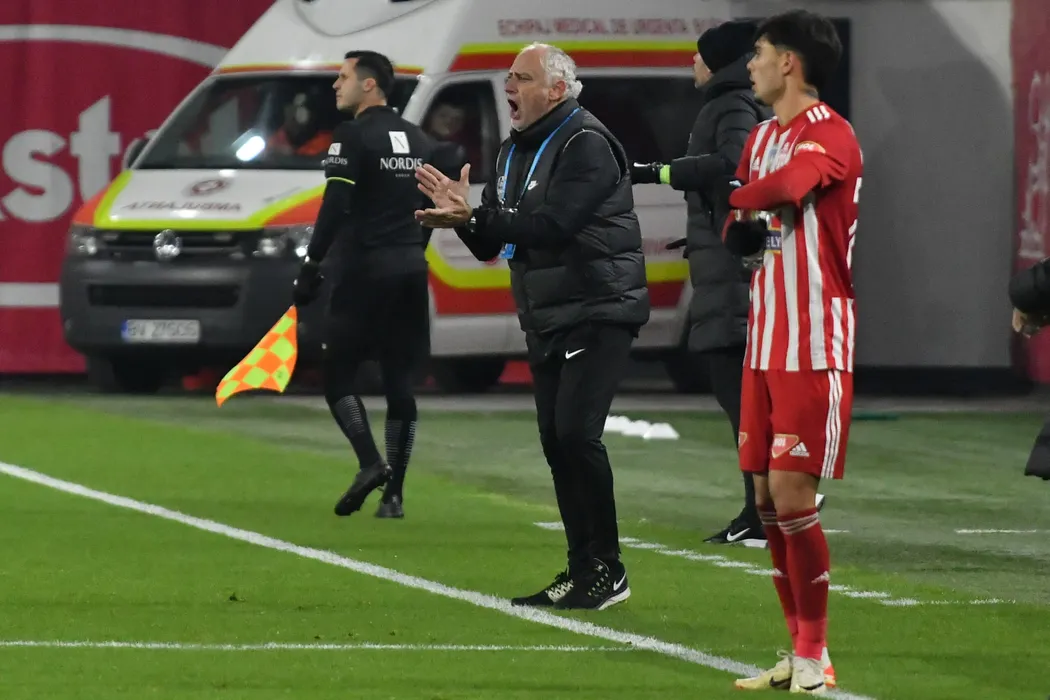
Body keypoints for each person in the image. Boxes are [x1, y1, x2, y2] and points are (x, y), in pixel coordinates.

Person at [414, 42, 649, 611]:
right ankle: (581, 569)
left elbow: (555, 225)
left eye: (521, 78)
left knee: (576, 435)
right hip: (547, 314)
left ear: (557, 90)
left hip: (599, 305)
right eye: (510, 77)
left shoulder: (585, 143)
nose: (509, 87)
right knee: (556, 442)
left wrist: (476, 214)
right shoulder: (512, 151)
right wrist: (461, 217)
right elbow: (494, 243)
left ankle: (608, 568)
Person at [720, 10, 861, 694]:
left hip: (814, 338)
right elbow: (737, 221)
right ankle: (801, 650)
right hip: (765, 339)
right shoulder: (760, 137)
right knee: (764, 499)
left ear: (790, 62)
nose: (750, 65)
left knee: (791, 491)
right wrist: (737, 223)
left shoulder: (831, 133)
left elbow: (785, 189)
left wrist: (736, 199)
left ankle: (814, 653)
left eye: (759, 53)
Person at [293, 50, 457, 520]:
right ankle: (394, 496)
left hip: (363, 272)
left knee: (338, 378)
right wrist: (410, 250)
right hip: (409, 272)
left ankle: (370, 463)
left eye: (343, 76)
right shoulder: (420, 140)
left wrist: (311, 263)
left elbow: (335, 204)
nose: (335, 85)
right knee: (399, 383)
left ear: (369, 85)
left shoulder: (352, 135)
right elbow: (433, 210)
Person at [629, 20, 773, 546]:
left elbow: (733, 167)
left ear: (717, 61)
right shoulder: (735, 102)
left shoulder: (731, 103)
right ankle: (768, 507)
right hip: (726, 268)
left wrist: (659, 171)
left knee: (742, 401)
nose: (692, 62)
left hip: (732, 277)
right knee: (745, 401)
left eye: (698, 54)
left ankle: (764, 511)